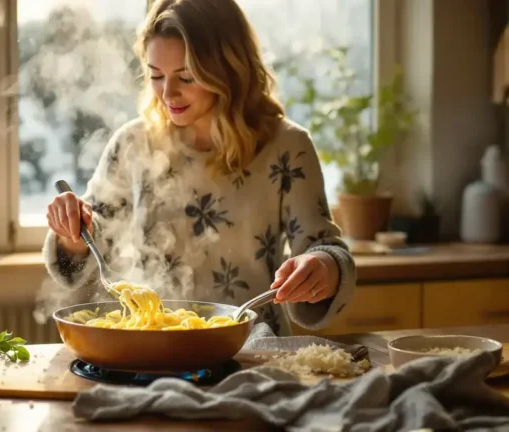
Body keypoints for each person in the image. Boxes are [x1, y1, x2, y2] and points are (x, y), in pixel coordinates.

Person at [41, 0, 355, 335]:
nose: (167, 93)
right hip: (148, 348)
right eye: (156, 75)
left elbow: (325, 247)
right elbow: (92, 241)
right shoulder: (133, 143)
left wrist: (323, 267)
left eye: (186, 77)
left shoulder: (286, 146)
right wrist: (72, 231)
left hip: (253, 351)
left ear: (229, 69)